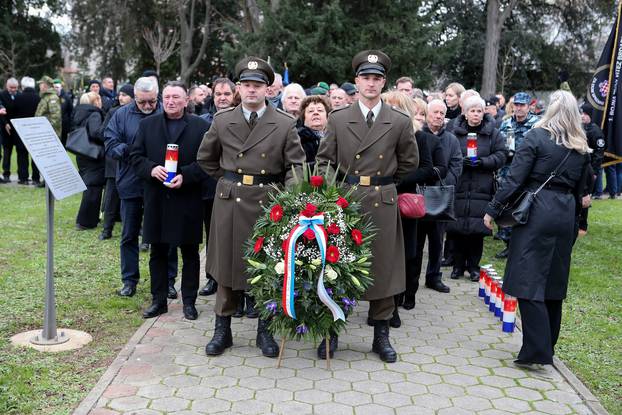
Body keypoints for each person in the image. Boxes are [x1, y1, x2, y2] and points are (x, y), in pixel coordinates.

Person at [197, 56, 305, 358]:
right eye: (246, 85)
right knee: (227, 267)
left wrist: (288, 198)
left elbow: (296, 167)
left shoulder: (284, 123)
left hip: (267, 203)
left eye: (257, 85)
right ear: (239, 88)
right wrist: (230, 181)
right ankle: (223, 330)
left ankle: (265, 331)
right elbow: (205, 158)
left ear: (268, 89)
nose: (251, 90)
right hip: (230, 203)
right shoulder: (222, 120)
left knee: (266, 268)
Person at [316, 50, 419, 362]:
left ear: (384, 83)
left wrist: (383, 182)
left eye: (377, 78)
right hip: (346, 201)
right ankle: (330, 333)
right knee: (337, 266)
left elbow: (409, 162)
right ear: (356, 82)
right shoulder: (338, 118)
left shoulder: (399, 121)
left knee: (383, 268)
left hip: (382, 200)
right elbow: (324, 161)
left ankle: (381, 335)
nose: (371, 83)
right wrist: (332, 193)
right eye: (365, 78)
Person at [484, 90, 592, 366]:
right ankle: (547, 347)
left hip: (537, 212)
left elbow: (514, 179)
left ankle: (538, 349)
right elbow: (584, 192)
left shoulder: (535, 137)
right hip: (565, 212)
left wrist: (493, 209)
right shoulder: (580, 147)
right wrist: (580, 222)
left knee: (526, 279)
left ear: (548, 110)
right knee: (553, 284)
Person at [130, 81, 210, 320]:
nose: (171, 101)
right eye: (167, 97)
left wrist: (186, 176)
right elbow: (135, 156)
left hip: (188, 198)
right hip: (158, 198)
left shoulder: (200, 126)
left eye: (176, 97)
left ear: (187, 100)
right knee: (158, 252)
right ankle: (158, 300)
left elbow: (208, 162)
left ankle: (189, 302)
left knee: (190, 253)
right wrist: (152, 169)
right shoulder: (147, 125)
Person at [382, 91, 442, 322]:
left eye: (397, 107)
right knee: (382, 256)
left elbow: (427, 168)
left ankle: (395, 305)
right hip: (380, 201)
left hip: (405, 202)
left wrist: (397, 179)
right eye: (388, 106)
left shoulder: (419, 137)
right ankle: (381, 306)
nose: (392, 111)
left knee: (406, 255)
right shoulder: (378, 134)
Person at [104, 77, 161, 297]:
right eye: (142, 102)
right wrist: (132, 151)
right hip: (129, 181)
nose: (148, 106)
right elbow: (110, 142)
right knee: (128, 234)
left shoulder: (163, 111)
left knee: (162, 234)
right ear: (135, 98)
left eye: (152, 102)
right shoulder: (121, 114)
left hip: (158, 181)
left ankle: (166, 280)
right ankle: (129, 280)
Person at [446, 95, 506, 281]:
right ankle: (456, 266)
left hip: (482, 185)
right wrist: (460, 162)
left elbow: (501, 155)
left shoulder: (493, 133)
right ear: (465, 113)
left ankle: (473, 266)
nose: (476, 114)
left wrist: (483, 162)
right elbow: (447, 153)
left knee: (477, 229)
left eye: (479, 111)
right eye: (472, 111)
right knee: (456, 227)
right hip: (460, 183)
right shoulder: (455, 132)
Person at [198, 78, 237, 298]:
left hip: (235, 189)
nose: (222, 98)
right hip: (209, 187)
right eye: (218, 95)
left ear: (234, 95)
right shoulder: (204, 120)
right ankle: (213, 278)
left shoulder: (242, 120)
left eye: (226, 94)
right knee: (213, 238)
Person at [496, 92, 539, 258]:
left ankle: (521, 244)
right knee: (505, 207)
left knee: (524, 208)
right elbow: (499, 144)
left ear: (529, 107)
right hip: (507, 171)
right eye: (516, 105)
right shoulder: (506, 123)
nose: (519, 108)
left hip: (528, 173)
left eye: (522, 105)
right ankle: (508, 243)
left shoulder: (536, 124)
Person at [424, 98, 463, 277]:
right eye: (435, 112)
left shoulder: (451, 140)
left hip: (441, 197)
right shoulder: (417, 135)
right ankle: (410, 283)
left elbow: (456, 166)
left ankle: (433, 276)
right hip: (418, 195)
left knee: (437, 241)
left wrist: (441, 184)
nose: (438, 116)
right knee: (415, 243)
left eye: (442, 113)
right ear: (427, 114)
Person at [99, 84, 134, 240]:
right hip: (115, 160)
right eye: (120, 95)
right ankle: (107, 229)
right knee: (111, 197)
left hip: (133, 162)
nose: (121, 98)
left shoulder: (140, 114)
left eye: (125, 95)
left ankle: (136, 229)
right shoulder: (113, 112)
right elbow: (103, 133)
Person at [72, 92, 106, 229]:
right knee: (93, 186)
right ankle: (85, 221)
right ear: (96, 101)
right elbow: (95, 132)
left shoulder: (79, 112)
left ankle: (88, 219)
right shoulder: (95, 114)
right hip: (93, 154)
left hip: (83, 153)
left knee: (89, 185)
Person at [578, 103, 606, 233]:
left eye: (585, 114)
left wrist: (594, 172)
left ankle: (583, 226)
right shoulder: (579, 128)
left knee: (585, 196)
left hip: (589, 169)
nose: (582, 116)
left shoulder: (595, 131)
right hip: (578, 167)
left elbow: (599, 153)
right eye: (581, 113)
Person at [34, 76, 62, 188]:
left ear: (46, 85)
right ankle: (46, 181)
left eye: (41, 84)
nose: (39, 86)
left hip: (50, 134)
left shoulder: (52, 98)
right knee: (45, 159)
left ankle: (50, 181)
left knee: (51, 159)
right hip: (44, 134)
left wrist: (44, 131)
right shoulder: (46, 97)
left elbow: (55, 118)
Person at [297, 95, 331, 164]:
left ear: (327, 116)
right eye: (311, 111)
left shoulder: (335, 138)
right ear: (304, 118)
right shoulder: (297, 139)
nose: (316, 113)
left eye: (320, 110)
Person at [0, 78, 21, 183]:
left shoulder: (20, 95)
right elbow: (1, 111)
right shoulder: (2, 95)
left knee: (20, 153)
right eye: (11, 87)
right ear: (7, 86)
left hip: (17, 128)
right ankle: (6, 173)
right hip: (6, 128)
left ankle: (21, 174)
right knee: (7, 152)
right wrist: (6, 124)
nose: (13, 89)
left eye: (15, 88)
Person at [53, 79, 74, 146]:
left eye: (57, 87)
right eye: (54, 87)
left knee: (62, 145)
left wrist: (69, 126)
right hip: (53, 126)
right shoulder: (51, 97)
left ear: (61, 87)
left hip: (63, 126)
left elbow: (71, 112)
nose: (55, 89)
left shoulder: (66, 97)